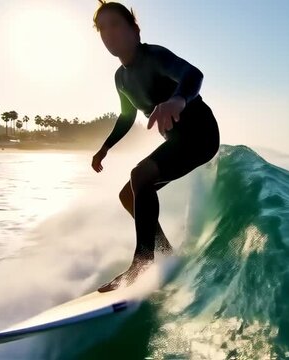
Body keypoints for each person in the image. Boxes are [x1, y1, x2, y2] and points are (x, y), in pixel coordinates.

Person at [91, 1, 220, 292]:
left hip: (202, 133)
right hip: (178, 141)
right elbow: (126, 116)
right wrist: (105, 147)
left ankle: (142, 263)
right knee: (128, 196)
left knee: (140, 175)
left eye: (115, 25)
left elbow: (193, 74)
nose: (108, 33)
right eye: (102, 28)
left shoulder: (154, 55)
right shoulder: (121, 77)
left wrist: (178, 99)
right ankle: (165, 254)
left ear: (134, 30)